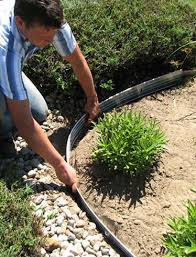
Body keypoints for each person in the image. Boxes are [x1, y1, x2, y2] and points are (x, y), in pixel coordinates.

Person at [0, 0, 100, 191]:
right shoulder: (6, 49)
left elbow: (77, 62)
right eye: (45, 38)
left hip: (6, 65)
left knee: (39, 112)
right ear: (20, 23)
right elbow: (25, 124)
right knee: (15, 118)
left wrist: (92, 98)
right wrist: (60, 166)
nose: (50, 41)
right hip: (2, 60)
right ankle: (2, 136)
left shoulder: (52, 22)